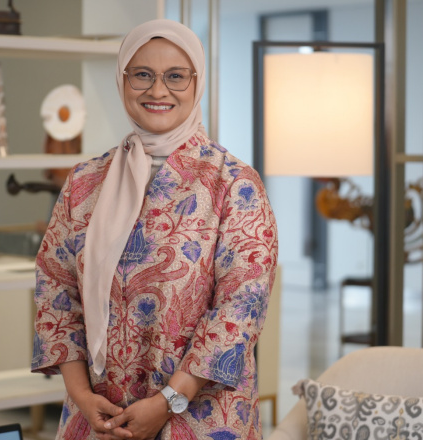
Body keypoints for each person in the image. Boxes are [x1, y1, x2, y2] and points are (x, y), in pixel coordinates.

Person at [31, 18, 278, 440]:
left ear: (197, 83)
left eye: (176, 76)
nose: (158, 90)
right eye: (142, 74)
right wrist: (80, 395)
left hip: (198, 417)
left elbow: (240, 309)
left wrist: (168, 402)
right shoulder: (84, 182)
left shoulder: (234, 183)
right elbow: (55, 291)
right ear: (122, 79)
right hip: (99, 415)